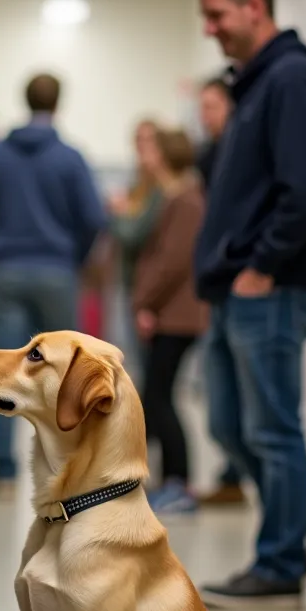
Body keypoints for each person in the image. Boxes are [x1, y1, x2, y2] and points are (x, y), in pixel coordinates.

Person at [192, 0, 306, 606]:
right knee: (232, 428)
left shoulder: (290, 78)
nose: (211, 28)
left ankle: (281, 560)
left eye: (217, 14)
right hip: (232, 288)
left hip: (266, 287)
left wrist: (263, 267)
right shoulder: (254, 85)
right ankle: (289, 536)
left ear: (254, 7)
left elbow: (303, 190)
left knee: (271, 429)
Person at [0, 73, 106, 498]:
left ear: (24, 99)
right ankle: (63, 468)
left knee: (0, 371)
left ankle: (5, 473)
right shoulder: (70, 158)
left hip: (5, 271)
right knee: (63, 374)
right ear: (58, 103)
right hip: (56, 272)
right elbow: (94, 220)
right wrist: (72, 260)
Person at [132, 128, 208, 516]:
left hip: (175, 316)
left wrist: (146, 302)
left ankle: (180, 483)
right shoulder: (176, 198)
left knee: (161, 398)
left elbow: (173, 261)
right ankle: (170, 481)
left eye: (153, 147)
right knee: (156, 397)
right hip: (170, 313)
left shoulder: (185, 200)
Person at [195, 78, 247, 508]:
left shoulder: (241, 152)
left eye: (212, 106)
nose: (204, 115)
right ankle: (232, 476)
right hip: (218, 289)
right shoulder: (210, 155)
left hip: (247, 285)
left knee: (261, 418)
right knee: (222, 415)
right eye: (202, 107)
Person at [106, 119, 164, 383]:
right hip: (132, 284)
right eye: (139, 141)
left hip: (151, 289)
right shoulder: (138, 183)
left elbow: (133, 234)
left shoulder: (160, 187)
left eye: (149, 141)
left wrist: (119, 213)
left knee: (150, 373)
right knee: (138, 366)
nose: (143, 148)